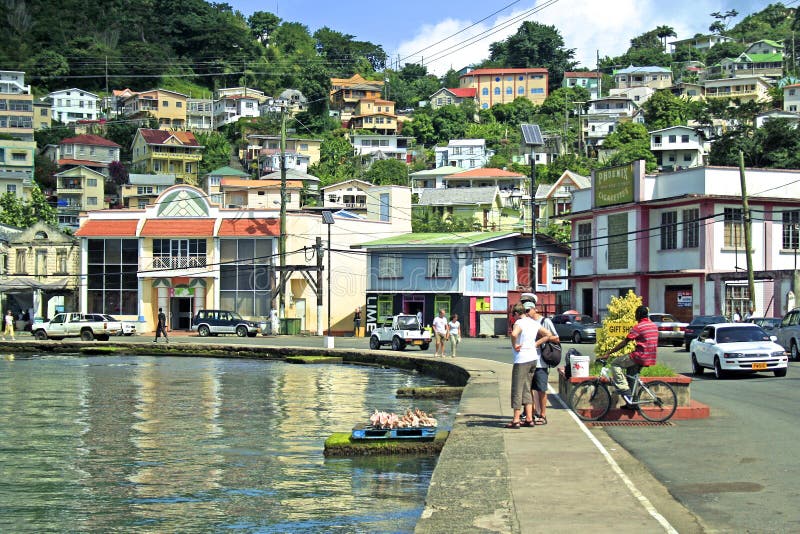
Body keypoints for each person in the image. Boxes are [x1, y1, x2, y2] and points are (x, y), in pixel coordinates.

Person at [507, 302, 557, 429]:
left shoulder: (519, 323)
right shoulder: (533, 322)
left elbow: (514, 334)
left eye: (513, 315)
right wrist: (536, 344)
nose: (513, 317)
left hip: (521, 359)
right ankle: (529, 418)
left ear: (517, 313)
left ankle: (516, 419)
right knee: (527, 388)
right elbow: (548, 334)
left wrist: (514, 345)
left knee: (517, 389)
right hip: (533, 359)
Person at [601, 305, 658, 408]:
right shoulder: (653, 326)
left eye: (636, 314)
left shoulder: (639, 327)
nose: (635, 316)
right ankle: (631, 404)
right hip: (650, 357)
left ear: (639, 315)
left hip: (639, 356)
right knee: (631, 376)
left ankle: (624, 389)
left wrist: (609, 353)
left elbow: (625, 342)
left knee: (615, 363)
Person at [529, 301, 559, 425]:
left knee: (541, 389)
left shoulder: (545, 322)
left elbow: (556, 338)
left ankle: (543, 414)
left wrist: (540, 338)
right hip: (528, 361)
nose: (527, 313)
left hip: (541, 362)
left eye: (528, 310)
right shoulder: (525, 322)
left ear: (535, 309)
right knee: (528, 389)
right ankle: (531, 413)